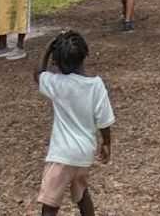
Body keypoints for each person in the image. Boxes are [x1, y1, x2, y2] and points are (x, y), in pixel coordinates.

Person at [35, 29, 114, 216]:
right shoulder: (96, 85)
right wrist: (107, 143)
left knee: (50, 204)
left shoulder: (57, 84)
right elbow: (104, 120)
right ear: (85, 55)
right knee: (82, 195)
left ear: (57, 63)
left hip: (61, 155)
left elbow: (38, 74)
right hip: (84, 154)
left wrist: (47, 50)